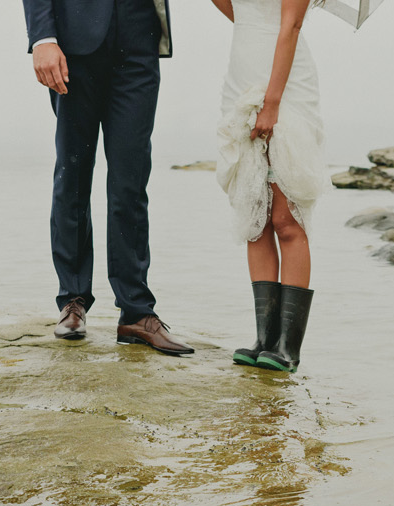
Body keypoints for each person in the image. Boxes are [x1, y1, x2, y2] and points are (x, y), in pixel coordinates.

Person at [24, 0, 193, 356]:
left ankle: (136, 312)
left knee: (130, 185)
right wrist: (42, 37)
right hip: (73, 46)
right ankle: (72, 301)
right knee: (72, 178)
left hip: (139, 44)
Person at [212, 0, 324, 372]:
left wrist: (272, 102)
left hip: (284, 85)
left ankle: (288, 347)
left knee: (285, 218)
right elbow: (238, 12)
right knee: (253, 217)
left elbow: (290, 26)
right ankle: (264, 339)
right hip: (241, 77)